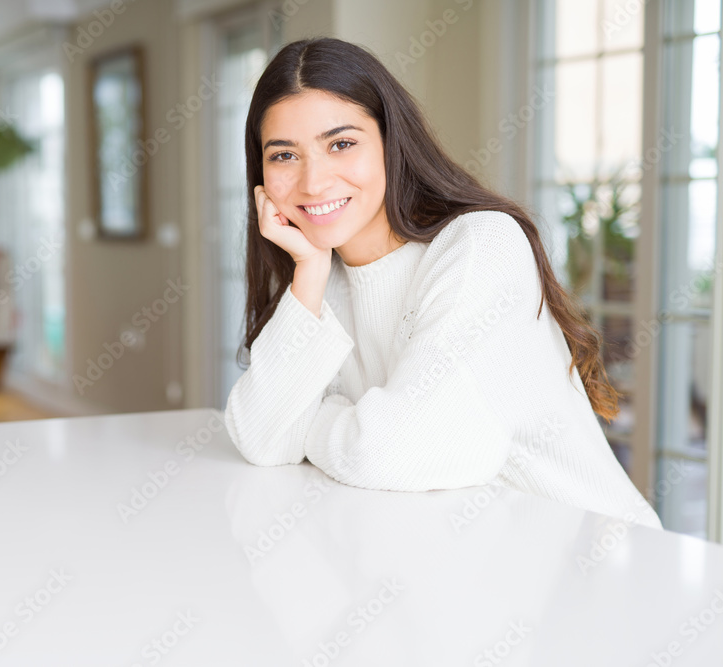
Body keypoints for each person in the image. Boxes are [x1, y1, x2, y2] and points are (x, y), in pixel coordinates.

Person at [223, 37, 663, 531]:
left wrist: (315, 423)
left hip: (599, 570)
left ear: (391, 142)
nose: (313, 181)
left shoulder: (480, 245)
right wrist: (307, 273)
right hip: (476, 570)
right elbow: (262, 437)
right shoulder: (323, 278)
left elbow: (395, 452)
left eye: (341, 144)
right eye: (284, 155)